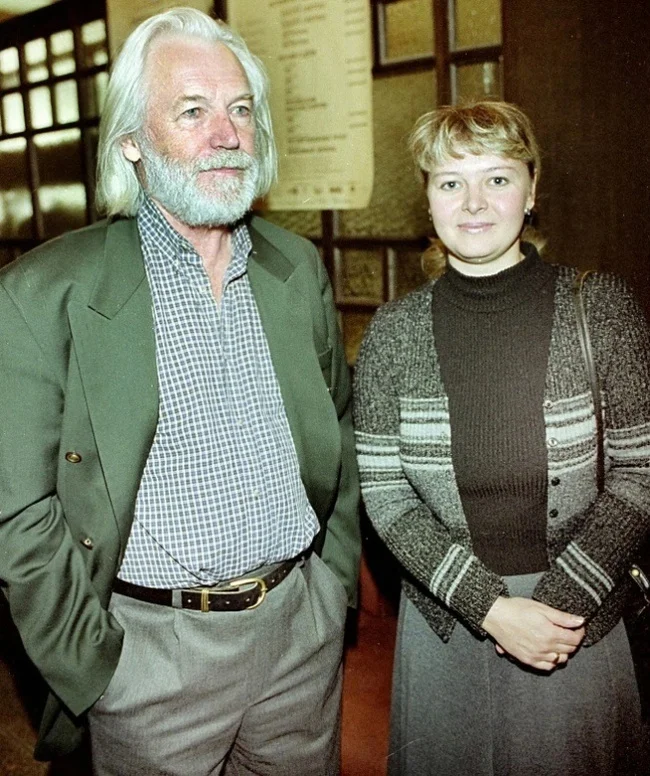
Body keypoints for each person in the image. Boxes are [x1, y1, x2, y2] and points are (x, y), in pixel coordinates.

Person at [0, 8, 360, 775]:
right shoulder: (43, 294)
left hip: (301, 637)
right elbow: (18, 512)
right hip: (150, 663)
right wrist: (95, 666)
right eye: (192, 111)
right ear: (132, 140)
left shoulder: (296, 268)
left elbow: (340, 426)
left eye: (240, 110)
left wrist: (331, 590)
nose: (226, 134)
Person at [353, 100, 650, 775]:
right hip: (446, 626)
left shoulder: (602, 309)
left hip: (575, 628)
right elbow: (386, 494)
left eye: (497, 178)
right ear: (428, 198)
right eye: (450, 182)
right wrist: (490, 610)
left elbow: (640, 473)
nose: (474, 203)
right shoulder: (392, 334)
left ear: (532, 188)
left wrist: (553, 611)